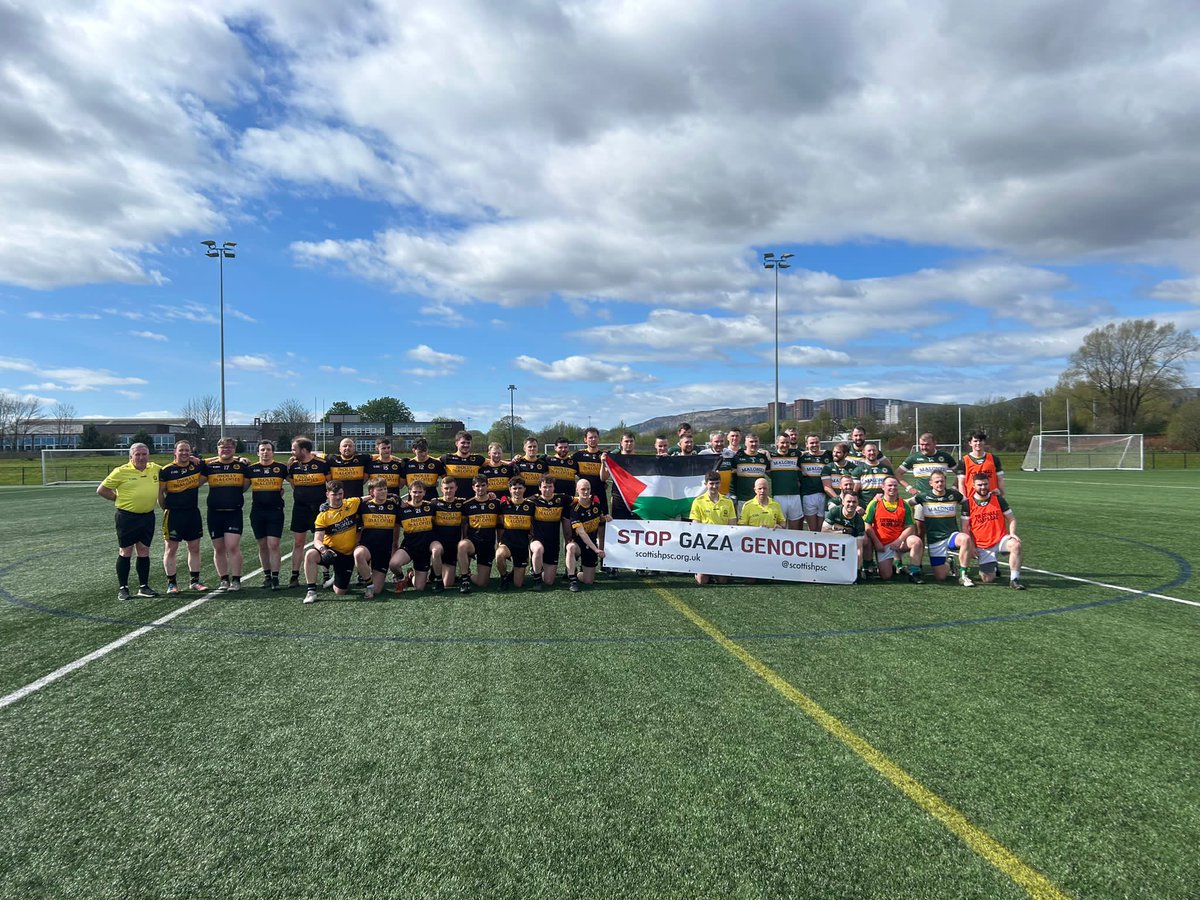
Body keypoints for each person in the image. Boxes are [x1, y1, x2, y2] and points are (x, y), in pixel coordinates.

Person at [97, 442, 163, 600]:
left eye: (144, 454)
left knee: (144, 551)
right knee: (126, 551)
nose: (141, 457)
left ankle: (143, 586)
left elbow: (174, 468)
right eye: (137, 454)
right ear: (130, 457)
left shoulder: (155, 469)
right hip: (127, 517)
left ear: (148, 455)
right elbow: (102, 490)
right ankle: (123, 588)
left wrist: (194, 459)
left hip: (147, 516)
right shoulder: (120, 471)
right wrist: (116, 498)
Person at [302, 481, 369, 604]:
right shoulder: (323, 515)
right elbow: (317, 539)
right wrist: (323, 550)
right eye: (334, 494)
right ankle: (311, 591)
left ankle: (335, 577)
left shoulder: (351, 503)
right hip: (331, 551)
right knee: (310, 554)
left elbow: (368, 497)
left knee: (340, 592)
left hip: (347, 554)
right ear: (327, 494)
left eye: (340, 494)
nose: (338, 497)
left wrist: (390, 496)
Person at [959, 472, 1026, 589]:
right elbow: (965, 527)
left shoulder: (998, 499)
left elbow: (1012, 519)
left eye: (985, 484)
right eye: (979, 485)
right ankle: (991, 565)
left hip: (1000, 540)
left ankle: (1014, 580)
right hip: (982, 545)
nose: (983, 487)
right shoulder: (968, 504)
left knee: (1016, 545)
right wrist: (972, 546)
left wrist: (1012, 533)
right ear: (973, 486)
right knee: (987, 579)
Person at [158, 440, 207, 595]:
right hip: (174, 514)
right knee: (171, 548)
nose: (184, 453)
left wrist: (241, 459)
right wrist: (166, 509)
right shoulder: (166, 470)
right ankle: (171, 584)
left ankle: (195, 581)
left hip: (192, 513)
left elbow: (215, 461)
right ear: (175, 452)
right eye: (181, 450)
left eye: (187, 450)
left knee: (194, 548)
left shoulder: (197, 466)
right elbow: (160, 494)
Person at [201, 436, 250, 591]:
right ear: (218, 449)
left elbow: (245, 486)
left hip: (233, 512)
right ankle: (224, 579)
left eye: (229, 447)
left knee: (233, 546)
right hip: (214, 513)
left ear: (234, 449)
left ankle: (236, 580)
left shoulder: (242, 467)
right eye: (223, 447)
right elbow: (197, 480)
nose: (226, 450)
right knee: (219, 548)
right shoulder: (209, 467)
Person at [912, 470, 972, 586]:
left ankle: (964, 575)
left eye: (942, 481)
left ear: (945, 482)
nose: (940, 484)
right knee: (940, 577)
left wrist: (966, 515)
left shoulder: (954, 495)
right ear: (931, 483)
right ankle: (949, 563)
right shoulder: (923, 496)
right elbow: (906, 503)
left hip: (951, 536)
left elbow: (968, 502)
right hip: (935, 539)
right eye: (937, 482)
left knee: (965, 538)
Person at [286, 436, 331, 588]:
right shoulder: (293, 465)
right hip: (300, 508)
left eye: (294, 449)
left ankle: (326, 574)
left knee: (323, 542)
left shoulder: (321, 464)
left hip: (319, 509)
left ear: (304, 450)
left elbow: (329, 484)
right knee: (298, 542)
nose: (292, 452)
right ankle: (294, 576)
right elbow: (293, 484)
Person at [863, 476, 924, 582]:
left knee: (916, 541)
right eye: (889, 485)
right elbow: (867, 525)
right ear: (883, 487)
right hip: (882, 543)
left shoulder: (904, 505)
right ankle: (877, 565)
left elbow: (910, 526)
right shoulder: (875, 503)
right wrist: (877, 542)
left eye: (895, 485)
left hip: (898, 542)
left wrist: (899, 540)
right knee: (886, 576)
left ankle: (915, 573)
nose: (893, 488)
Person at [247, 439, 288, 590]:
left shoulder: (281, 468)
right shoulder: (251, 469)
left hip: (275, 511)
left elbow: (295, 482)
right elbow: (243, 487)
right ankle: (267, 576)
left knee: (274, 544)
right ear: (258, 452)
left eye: (268, 449)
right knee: (262, 545)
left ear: (273, 452)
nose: (265, 452)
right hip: (257, 512)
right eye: (262, 450)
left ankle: (276, 577)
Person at [688, 470, 736, 585]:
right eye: (711, 483)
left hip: (722, 544)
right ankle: (698, 572)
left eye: (717, 483)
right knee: (702, 581)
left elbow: (733, 525)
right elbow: (696, 526)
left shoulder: (728, 502)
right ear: (706, 484)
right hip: (705, 544)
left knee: (723, 581)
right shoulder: (698, 501)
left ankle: (716, 572)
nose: (714, 486)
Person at [357, 477, 400, 600]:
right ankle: (368, 583)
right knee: (358, 554)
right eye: (379, 489)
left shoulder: (393, 504)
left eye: (385, 489)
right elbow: (345, 507)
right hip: (367, 547)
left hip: (383, 550)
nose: (383, 492)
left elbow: (407, 509)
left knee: (377, 591)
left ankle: (371, 580)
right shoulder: (364, 506)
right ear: (371, 492)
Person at [458, 475, 502, 593]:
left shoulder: (496, 503)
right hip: (473, 541)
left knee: (482, 583)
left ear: (488, 486)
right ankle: (464, 579)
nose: (480, 488)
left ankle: (469, 574)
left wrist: (500, 542)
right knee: (462, 545)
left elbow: (499, 525)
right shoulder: (467, 504)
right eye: (477, 486)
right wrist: (464, 538)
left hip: (487, 544)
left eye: (483, 485)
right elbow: (464, 525)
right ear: (473, 487)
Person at [565, 479, 610, 592]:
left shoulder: (596, 506)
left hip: (592, 544)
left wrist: (606, 518)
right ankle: (572, 579)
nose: (585, 492)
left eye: (588, 489)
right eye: (583, 489)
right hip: (579, 544)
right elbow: (581, 532)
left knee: (588, 581)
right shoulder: (575, 509)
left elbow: (601, 524)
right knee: (570, 547)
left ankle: (579, 574)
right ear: (577, 490)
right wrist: (596, 549)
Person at [392, 480, 435, 592]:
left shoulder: (430, 507)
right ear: (409, 492)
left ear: (424, 493)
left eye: (420, 492)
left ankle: (410, 575)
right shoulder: (402, 509)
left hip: (424, 550)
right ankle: (401, 578)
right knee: (394, 564)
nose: (417, 495)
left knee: (419, 588)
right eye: (414, 492)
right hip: (409, 547)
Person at [529, 474, 568, 591]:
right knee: (538, 549)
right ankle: (536, 577)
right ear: (540, 488)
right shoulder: (532, 500)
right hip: (537, 539)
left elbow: (580, 498)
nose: (547, 490)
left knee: (549, 581)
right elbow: (516, 501)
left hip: (553, 542)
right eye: (544, 487)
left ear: (554, 487)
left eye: (550, 487)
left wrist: (594, 499)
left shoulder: (561, 499)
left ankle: (539, 569)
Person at [495, 477, 534, 590]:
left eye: (520, 488)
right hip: (507, 543)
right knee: (499, 555)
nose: (517, 491)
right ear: (510, 489)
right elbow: (499, 524)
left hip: (522, 545)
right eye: (514, 488)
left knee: (518, 584)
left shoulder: (531, 505)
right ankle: (503, 578)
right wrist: (499, 540)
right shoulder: (503, 505)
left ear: (524, 489)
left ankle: (512, 573)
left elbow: (533, 525)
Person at [822, 489, 868, 583]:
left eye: (854, 502)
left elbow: (859, 549)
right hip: (831, 544)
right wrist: (842, 532)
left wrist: (857, 570)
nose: (851, 504)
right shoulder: (835, 511)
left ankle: (861, 569)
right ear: (843, 502)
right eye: (848, 501)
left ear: (858, 503)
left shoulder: (859, 522)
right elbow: (823, 532)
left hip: (848, 548)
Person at [430, 475, 466, 593]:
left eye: (451, 488)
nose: (449, 491)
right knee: (436, 551)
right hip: (439, 544)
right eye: (446, 488)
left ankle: (436, 572)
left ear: (456, 488)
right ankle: (437, 579)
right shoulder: (434, 504)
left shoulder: (462, 503)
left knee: (449, 584)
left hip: (453, 546)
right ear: (441, 489)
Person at [898, 432, 957, 497]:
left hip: (942, 497)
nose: (924, 447)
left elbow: (960, 474)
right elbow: (897, 473)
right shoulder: (913, 458)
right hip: (921, 498)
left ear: (934, 444)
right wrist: (909, 488)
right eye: (921, 444)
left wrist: (954, 487)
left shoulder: (945, 456)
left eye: (927, 444)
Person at [767, 432, 802, 530]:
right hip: (778, 495)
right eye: (782, 442)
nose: (785, 445)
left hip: (795, 495)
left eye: (787, 442)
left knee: (795, 527)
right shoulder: (770, 456)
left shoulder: (796, 454)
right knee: (780, 526)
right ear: (777, 443)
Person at [956, 431, 1005, 497]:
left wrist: (1002, 495)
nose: (978, 443)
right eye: (975, 441)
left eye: (980, 441)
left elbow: (1000, 479)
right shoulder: (964, 460)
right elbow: (961, 483)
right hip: (972, 501)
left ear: (984, 442)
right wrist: (964, 500)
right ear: (970, 443)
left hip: (992, 499)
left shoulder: (994, 459)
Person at [798, 434, 831, 532]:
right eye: (811, 443)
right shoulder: (802, 457)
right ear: (806, 445)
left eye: (816, 442)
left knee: (822, 528)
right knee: (812, 529)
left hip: (824, 495)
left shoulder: (828, 456)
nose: (814, 445)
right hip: (808, 495)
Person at [731, 435, 770, 514]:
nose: (754, 444)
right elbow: (733, 479)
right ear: (745, 443)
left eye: (756, 441)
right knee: (743, 524)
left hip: (759, 499)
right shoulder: (737, 457)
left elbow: (770, 476)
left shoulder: (763, 458)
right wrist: (733, 494)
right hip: (742, 498)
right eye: (751, 441)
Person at [441, 430, 485, 497]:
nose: (466, 445)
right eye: (463, 443)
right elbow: (431, 460)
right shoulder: (447, 458)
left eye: (468, 443)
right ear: (456, 443)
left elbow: (494, 462)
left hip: (472, 500)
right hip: (452, 500)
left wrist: (506, 462)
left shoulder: (478, 459)